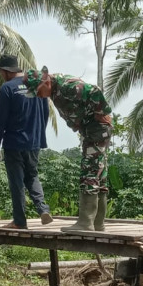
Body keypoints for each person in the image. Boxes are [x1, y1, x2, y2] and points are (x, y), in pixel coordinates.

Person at [24, 67, 112, 232]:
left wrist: (102, 111)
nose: (37, 95)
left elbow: (94, 90)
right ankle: (98, 223)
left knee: (90, 171)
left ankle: (86, 222)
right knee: (99, 171)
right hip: (91, 129)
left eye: (37, 91)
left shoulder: (67, 86)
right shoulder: (54, 90)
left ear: (46, 82)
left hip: (97, 129)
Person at [0, 54, 53, 229]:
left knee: (16, 181)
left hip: (14, 142)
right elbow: (45, 113)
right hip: (34, 141)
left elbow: (1, 120)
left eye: (1, 72)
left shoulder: (7, 88)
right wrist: (38, 135)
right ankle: (43, 209)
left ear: (5, 72)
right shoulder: (34, 84)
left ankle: (19, 221)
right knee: (32, 175)